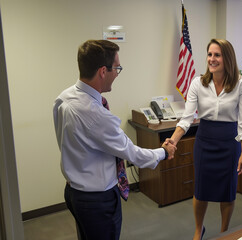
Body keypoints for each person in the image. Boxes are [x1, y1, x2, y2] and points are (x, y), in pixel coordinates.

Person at [53, 39, 176, 240]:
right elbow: (132, 153)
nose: (117, 74)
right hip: (97, 201)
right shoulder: (94, 113)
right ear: (103, 71)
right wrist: (163, 151)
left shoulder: (64, 98)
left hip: (74, 193)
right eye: (117, 68)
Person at [166, 39, 242, 240]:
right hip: (205, 141)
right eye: (210, 54)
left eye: (217, 55)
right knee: (201, 190)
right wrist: (174, 139)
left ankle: (224, 231)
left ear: (227, 58)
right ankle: (199, 230)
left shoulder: (240, 84)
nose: (212, 59)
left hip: (229, 143)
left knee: (228, 191)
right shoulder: (198, 83)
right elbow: (187, 118)